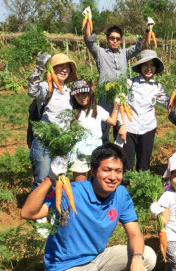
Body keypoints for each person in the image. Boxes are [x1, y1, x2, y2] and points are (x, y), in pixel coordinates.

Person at [20, 143, 156, 271]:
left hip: (97, 260)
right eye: (107, 170)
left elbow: (135, 234)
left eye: (118, 171)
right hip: (66, 267)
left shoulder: (121, 194)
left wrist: (137, 258)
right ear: (92, 172)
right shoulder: (71, 192)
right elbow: (28, 213)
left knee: (147, 256)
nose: (113, 177)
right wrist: (50, 178)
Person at [82, 7, 148, 142]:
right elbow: (88, 40)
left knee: (121, 128)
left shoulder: (124, 53)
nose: (115, 41)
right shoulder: (100, 53)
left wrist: (147, 30)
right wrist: (88, 19)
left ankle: (118, 155)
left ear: (121, 40)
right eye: (112, 38)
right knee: (103, 128)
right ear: (107, 39)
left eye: (118, 39)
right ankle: (104, 154)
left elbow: (140, 46)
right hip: (105, 96)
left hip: (122, 96)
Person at [27, 53, 78, 189]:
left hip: (63, 143)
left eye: (67, 67)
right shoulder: (45, 87)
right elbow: (32, 92)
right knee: (42, 181)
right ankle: (35, 210)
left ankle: (54, 210)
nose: (64, 70)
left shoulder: (70, 91)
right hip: (44, 142)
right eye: (59, 66)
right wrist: (38, 68)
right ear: (53, 70)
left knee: (58, 181)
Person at [117, 50, 169, 171]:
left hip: (148, 128)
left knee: (144, 164)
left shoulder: (157, 87)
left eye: (152, 65)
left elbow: (168, 104)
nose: (149, 68)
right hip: (129, 128)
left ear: (155, 68)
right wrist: (122, 124)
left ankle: (141, 186)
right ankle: (124, 188)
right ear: (140, 67)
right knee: (126, 164)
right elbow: (121, 106)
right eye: (146, 65)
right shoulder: (129, 83)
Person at [69, 79, 119, 181]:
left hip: (96, 151)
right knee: (80, 184)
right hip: (80, 152)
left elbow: (113, 122)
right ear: (74, 97)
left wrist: (116, 107)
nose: (82, 97)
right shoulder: (73, 112)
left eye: (84, 94)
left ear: (90, 93)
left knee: (94, 182)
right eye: (78, 95)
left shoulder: (98, 109)